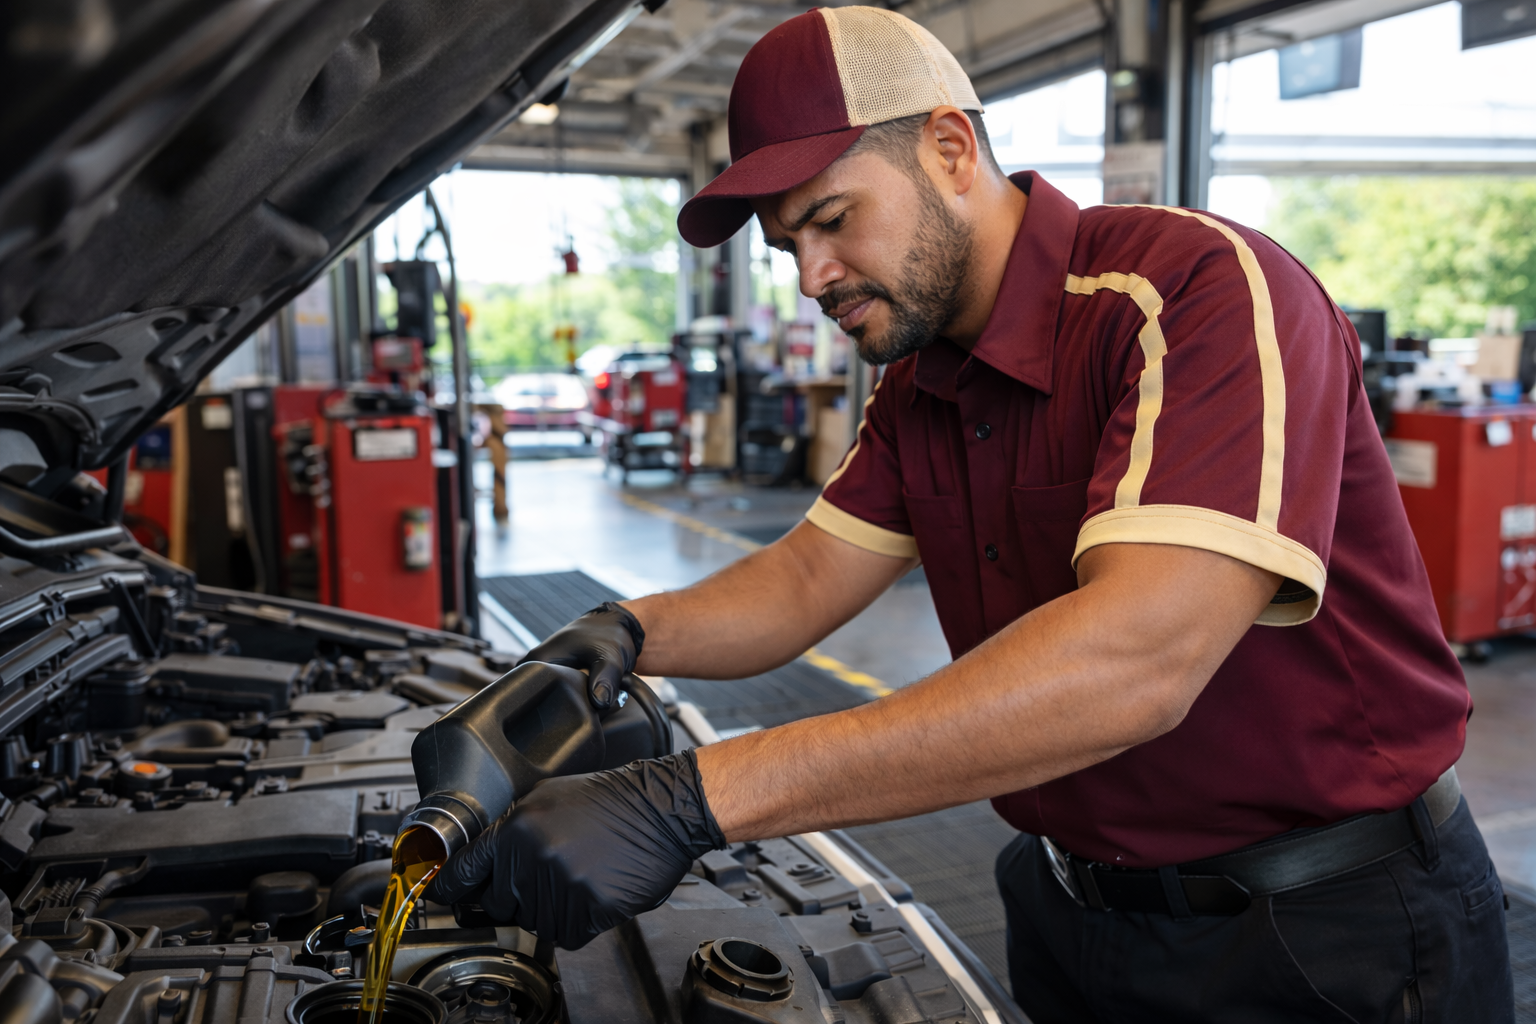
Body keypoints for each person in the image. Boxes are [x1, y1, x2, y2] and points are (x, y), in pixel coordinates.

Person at [427, 7, 1512, 1020]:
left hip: (1321, 932)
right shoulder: (921, 379)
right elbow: (807, 577)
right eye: (785, 245)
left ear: (950, 148)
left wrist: (694, 796)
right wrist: (620, 635)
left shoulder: (1197, 293)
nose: (810, 275)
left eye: (832, 219)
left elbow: (1140, 656)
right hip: (1073, 912)